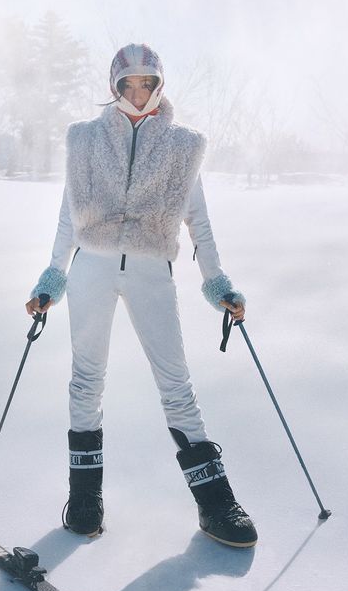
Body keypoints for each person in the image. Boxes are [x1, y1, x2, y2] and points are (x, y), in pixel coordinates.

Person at [26, 43, 257, 548]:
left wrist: (217, 283)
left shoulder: (181, 146)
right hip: (91, 267)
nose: (137, 93)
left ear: (159, 85)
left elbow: (198, 222)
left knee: (176, 385)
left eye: (146, 83)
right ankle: (84, 499)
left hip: (151, 272)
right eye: (128, 84)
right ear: (114, 87)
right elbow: (68, 216)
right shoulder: (85, 140)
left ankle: (216, 504)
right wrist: (52, 278)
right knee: (86, 381)